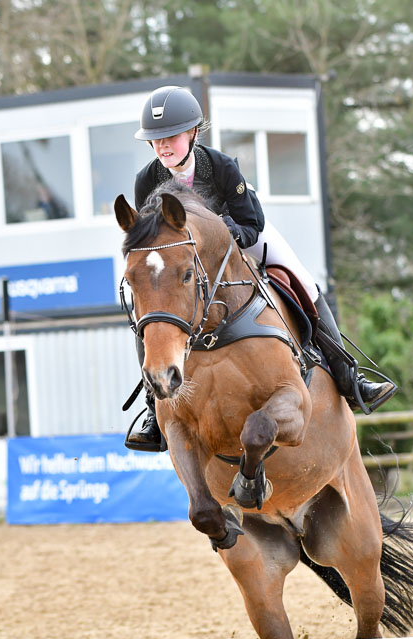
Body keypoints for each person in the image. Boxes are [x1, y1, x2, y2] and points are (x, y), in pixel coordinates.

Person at [127, 85, 396, 451]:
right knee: (152, 307)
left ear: (192, 133)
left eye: (170, 137)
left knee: (301, 280)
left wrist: (224, 233)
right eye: (155, 140)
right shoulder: (147, 180)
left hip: (243, 239)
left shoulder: (220, 166)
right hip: (188, 262)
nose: (162, 147)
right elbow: (153, 238)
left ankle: (349, 376)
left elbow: (252, 223)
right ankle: (152, 407)